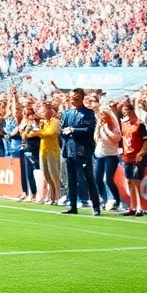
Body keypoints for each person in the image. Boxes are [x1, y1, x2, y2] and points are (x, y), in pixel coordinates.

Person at [60, 88, 101, 216]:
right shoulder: (67, 113)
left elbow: (89, 129)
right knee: (71, 180)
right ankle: (73, 205)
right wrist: (65, 133)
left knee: (88, 178)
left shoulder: (88, 113)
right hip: (70, 150)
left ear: (82, 97)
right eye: (72, 97)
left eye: (76, 97)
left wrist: (73, 130)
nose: (74, 99)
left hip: (83, 150)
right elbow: (62, 128)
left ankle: (95, 206)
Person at [118, 101, 147, 217]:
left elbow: (146, 141)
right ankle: (132, 206)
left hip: (137, 157)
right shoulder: (125, 125)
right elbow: (123, 140)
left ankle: (140, 207)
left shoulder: (140, 125)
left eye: (126, 112)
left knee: (137, 182)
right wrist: (121, 150)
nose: (125, 115)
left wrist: (141, 153)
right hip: (127, 157)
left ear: (132, 111)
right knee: (130, 181)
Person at [94, 100, 123, 211]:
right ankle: (102, 199)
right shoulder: (100, 125)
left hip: (111, 154)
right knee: (98, 178)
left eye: (103, 116)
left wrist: (106, 129)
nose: (102, 118)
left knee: (108, 179)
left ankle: (117, 200)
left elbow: (115, 139)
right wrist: (98, 129)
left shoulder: (114, 126)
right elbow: (96, 139)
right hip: (100, 153)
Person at [37, 103, 62, 205]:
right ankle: (51, 195)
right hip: (43, 149)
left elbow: (51, 133)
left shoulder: (55, 121)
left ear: (49, 111)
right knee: (46, 173)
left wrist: (37, 133)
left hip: (53, 150)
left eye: (43, 111)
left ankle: (57, 196)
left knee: (54, 173)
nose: (41, 113)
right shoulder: (42, 122)